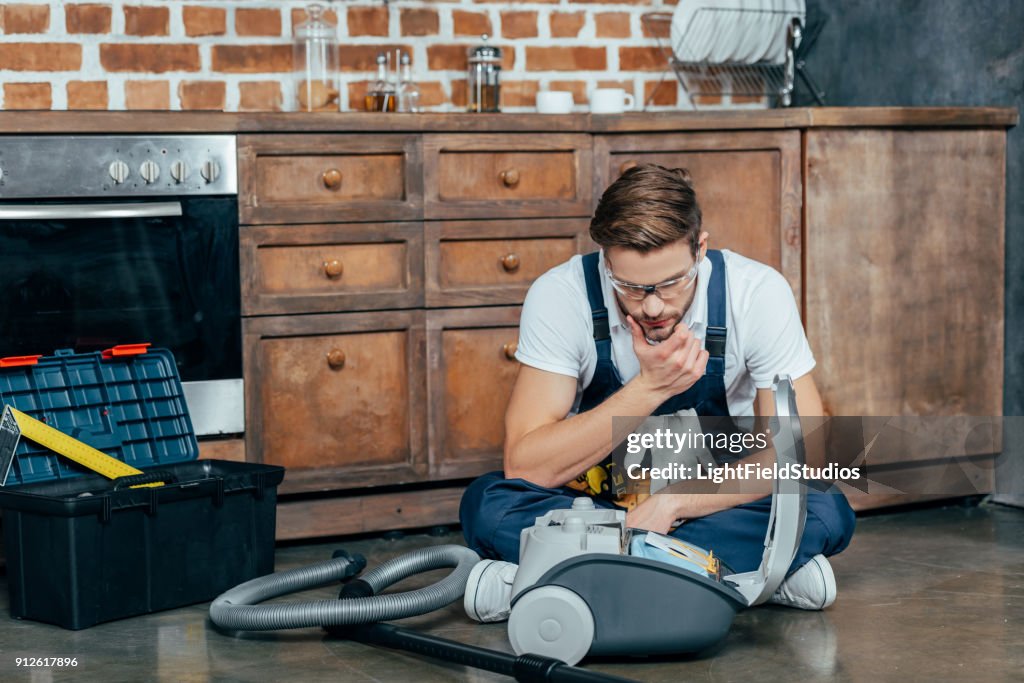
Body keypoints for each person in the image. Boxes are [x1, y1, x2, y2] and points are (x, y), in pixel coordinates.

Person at [459, 164, 855, 622]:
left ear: (700, 249)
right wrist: (648, 389)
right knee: (487, 504)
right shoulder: (560, 295)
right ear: (605, 260)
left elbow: (799, 456)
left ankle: (547, 580)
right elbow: (527, 465)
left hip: (709, 504)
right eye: (628, 286)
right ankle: (751, 575)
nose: (651, 306)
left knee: (826, 508)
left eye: (671, 283)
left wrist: (674, 503)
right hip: (601, 509)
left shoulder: (756, 294)